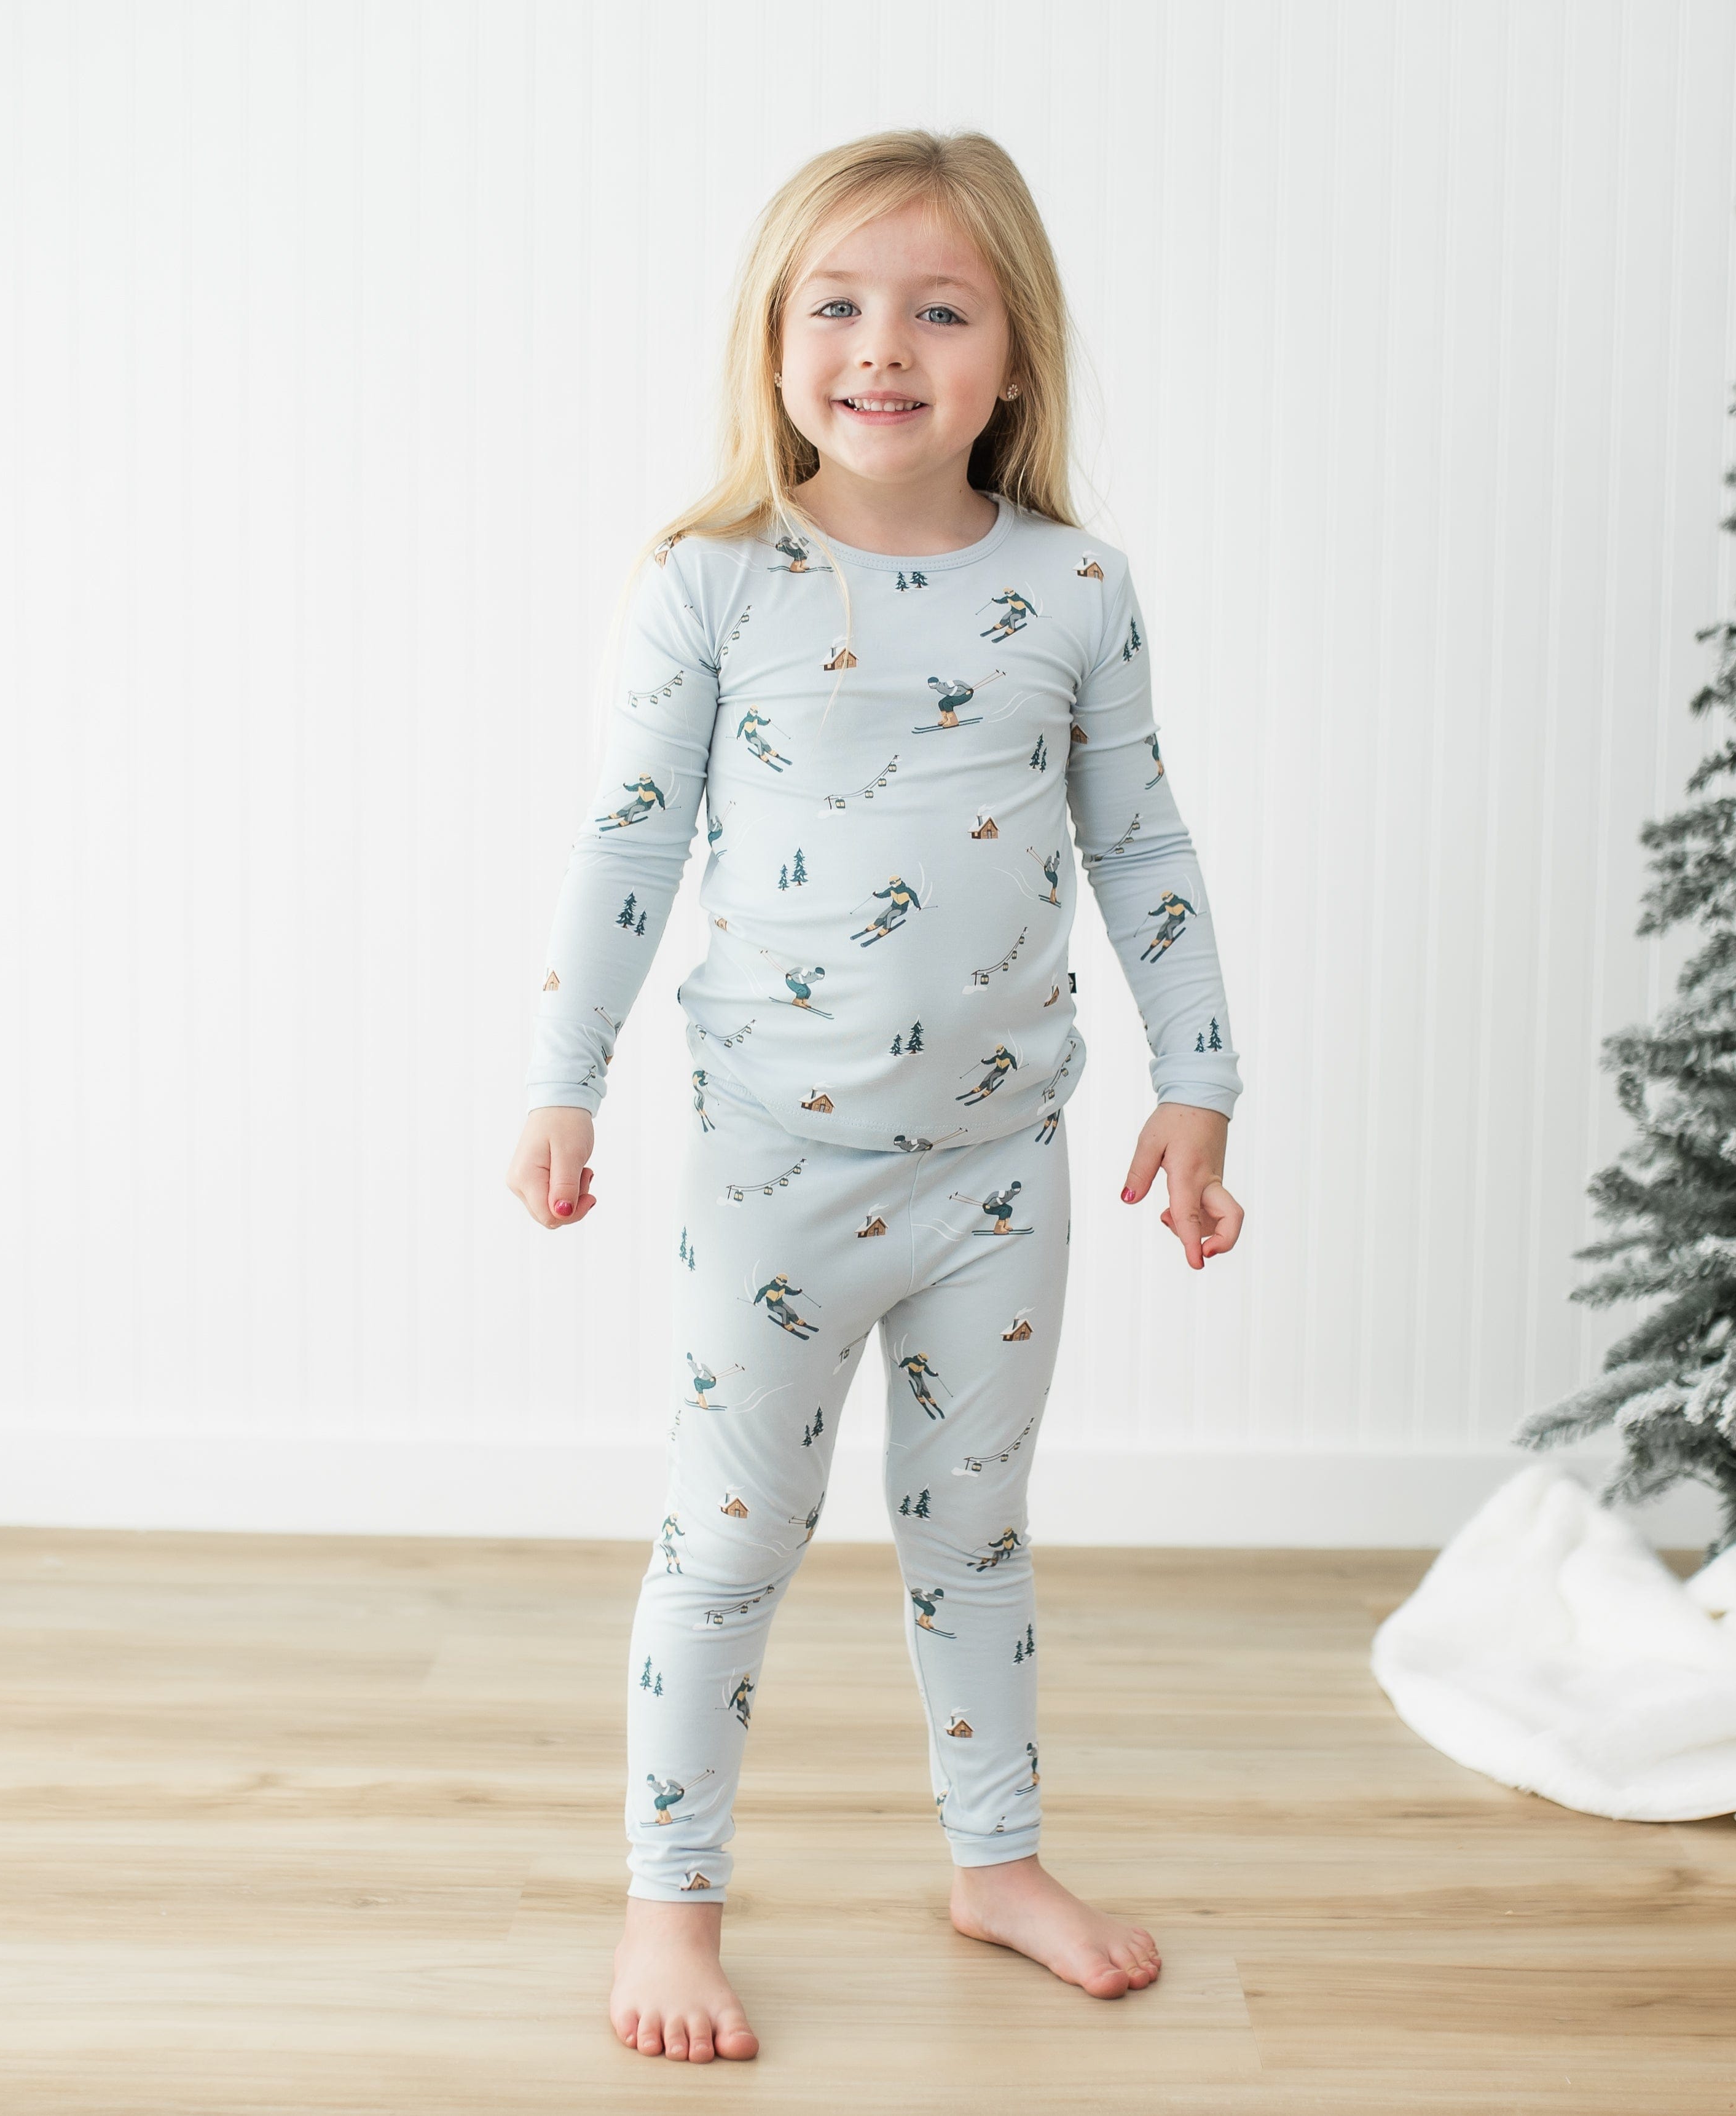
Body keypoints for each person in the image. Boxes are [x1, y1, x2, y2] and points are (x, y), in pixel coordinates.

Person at [505, 127, 1247, 2066]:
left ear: (1014, 356)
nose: (882, 344)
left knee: (972, 1533)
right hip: (772, 1168)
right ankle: (673, 1903)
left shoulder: (1075, 587)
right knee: (730, 1540)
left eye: (939, 305)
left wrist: (1200, 1083)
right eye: (835, 302)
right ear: (771, 344)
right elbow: (627, 850)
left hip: (1002, 1169)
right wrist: (558, 1080)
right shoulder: (712, 582)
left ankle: (994, 1860)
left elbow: (1141, 849)